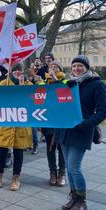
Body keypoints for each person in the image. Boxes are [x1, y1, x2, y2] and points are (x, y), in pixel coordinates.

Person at [56, 55, 106, 210]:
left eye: (80, 66)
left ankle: (82, 201)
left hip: (81, 131)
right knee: (69, 169)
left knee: (74, 167)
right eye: (74, 66)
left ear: (87, 67)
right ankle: (74, 197)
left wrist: (85, 124)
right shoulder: (69, 83)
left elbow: (102, 111)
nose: (77, 69)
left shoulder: (96, 85)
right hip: (64, 131)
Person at [0, 63, 33, 191]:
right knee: (2, 151)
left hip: (21, 125)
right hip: (5, 123)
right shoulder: (3, 83)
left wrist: (22, 88)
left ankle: (16, 178)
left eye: (20, 70)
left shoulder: (29, 85)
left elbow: (31, 103)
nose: (17, 72)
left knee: (18, 152)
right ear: (11, 71)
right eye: (15, 70)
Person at [42, 61, 67, 187]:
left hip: (61, 120)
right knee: (50, 148)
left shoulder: (66, 81)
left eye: (55, 67)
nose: (52, 69)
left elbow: (65, 92)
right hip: (48, 119)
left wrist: (55, 79)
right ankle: (53, 172)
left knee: (61, 148)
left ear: (60, 69)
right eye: (51, 67)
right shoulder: (44, 82)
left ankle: (62, 173)